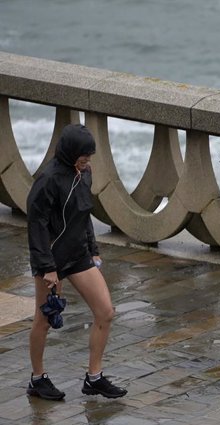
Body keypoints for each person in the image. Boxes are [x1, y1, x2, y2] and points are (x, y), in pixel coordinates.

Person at [26, 123, 127, 400]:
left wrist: (93, 249)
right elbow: (36, 225)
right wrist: (47, 267)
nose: (88, 160)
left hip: (79, 255)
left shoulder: (84, 173)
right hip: (52, 261)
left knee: (105, 311)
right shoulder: (48, 180)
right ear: (70, 152)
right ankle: (37, 379)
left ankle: (94, 378)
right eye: (84, 155)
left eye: (90, 155)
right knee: (44, 320)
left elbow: (83, 213)